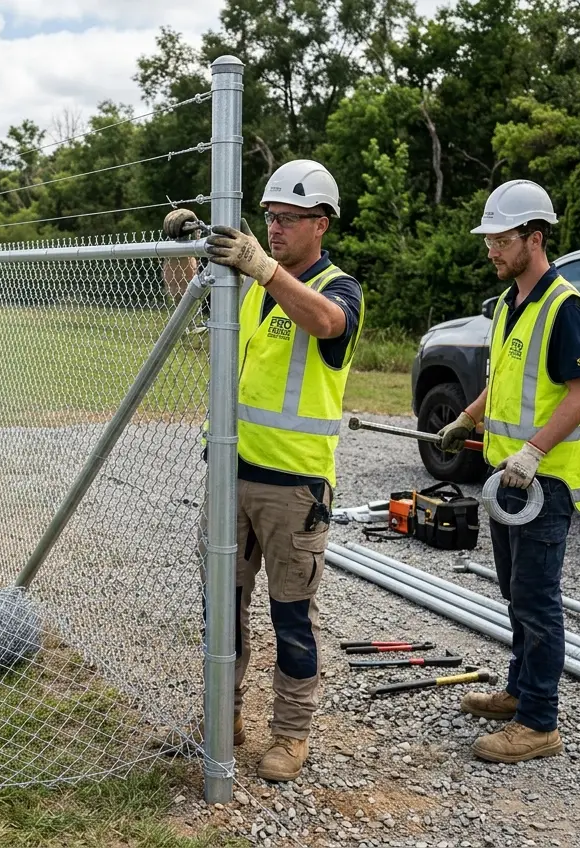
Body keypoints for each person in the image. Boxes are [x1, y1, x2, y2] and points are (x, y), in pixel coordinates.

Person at [162, 160, 365, 781]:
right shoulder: (251, 287)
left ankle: (291, 734)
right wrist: (181, 259)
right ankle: (222, 716)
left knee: (290, 615)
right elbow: (200, 314)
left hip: (293, 487)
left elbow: (328, 324)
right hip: (230, 474)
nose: (274, 228)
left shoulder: (340, 288)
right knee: (221, 607)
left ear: (320, 225)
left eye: (288, 219)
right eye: (271, 217)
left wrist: (263, 268)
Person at [437, 179, 580, 763]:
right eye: (489, 240)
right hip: (507, 482)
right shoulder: (510, 304)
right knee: (514, 593)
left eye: (501, 240)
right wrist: (466, 419)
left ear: (534, 237)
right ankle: (519, 689)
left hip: (543, 484)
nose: (491, 250)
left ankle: (539, 722)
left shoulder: (565, 307)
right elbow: (503, 383)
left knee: (536, 599)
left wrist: (532, 452)